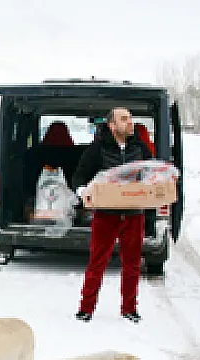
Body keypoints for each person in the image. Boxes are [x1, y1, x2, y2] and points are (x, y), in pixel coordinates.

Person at [71, 107, 153, 324]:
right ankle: (86, 308)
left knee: (133, 264)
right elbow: (79, 177)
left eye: (130, 118)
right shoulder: (97, 149)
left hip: (134, 215)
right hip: (106, 216)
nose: (130, 122)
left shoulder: (141, 148)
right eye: (124, 119)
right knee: (97, 262)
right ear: (112, 125)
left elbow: (152, 176)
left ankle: (129, 309)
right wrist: (83, 192)